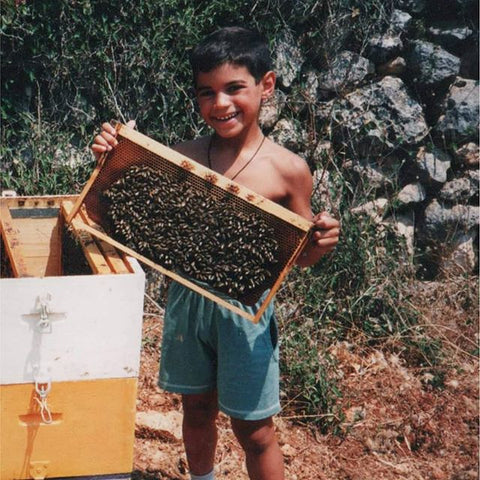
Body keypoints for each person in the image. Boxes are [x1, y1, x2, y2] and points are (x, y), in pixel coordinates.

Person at [92, 26, 340, 480]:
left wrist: (319, 244)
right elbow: (118, 204)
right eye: (206, 93)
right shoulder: (181, 155)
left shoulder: (289, 170)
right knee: (197, 410)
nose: (220, 103)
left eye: (234, 88)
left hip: (245, 313)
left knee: (256, 431)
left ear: (267, 85)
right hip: (186, 305)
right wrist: (111, 157)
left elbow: (297, 255)